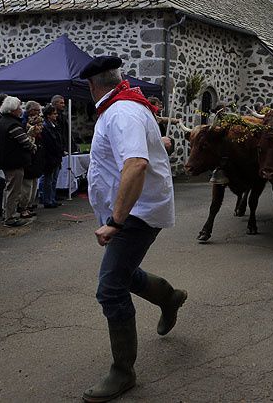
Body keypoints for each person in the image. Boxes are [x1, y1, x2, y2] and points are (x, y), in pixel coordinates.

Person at [79, 56, 186, 402]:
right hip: (132, 209)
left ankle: (123, 372)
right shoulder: (123, 107)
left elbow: (136, 164)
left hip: (135, 213)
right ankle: (169, 297)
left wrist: (115, 221)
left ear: (93, 85)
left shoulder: (121, 112)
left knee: (110, 289)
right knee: (122, 274)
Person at [0, 96, 35, 227]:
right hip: (14, 162)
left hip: (7, 161)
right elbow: (25, 142)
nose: (20, 110)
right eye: (18, 108)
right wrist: (32, 141)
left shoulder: (3, 121)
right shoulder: (12, 124)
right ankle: (9, 217)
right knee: (13, 191)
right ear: (12, 110)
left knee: (9, 189)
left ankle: (6, 214)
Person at [22, 101, 45, 215]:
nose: (38, 112)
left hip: (36, 155)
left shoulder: (39, 121)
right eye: (36, 110)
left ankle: (30, 203)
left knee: (34, 182)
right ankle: (24, 206)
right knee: (27, 184)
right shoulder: (24, 122)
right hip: (29, 155)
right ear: (30, 110)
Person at [39, 104, 64, 208]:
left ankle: (51, 199)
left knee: (53, 180)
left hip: (55, 157)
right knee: (48, 180)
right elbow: (48, 144)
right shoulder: (46, 127)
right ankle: (47, 200)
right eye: (54, 114)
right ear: (48, 115)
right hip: (50, 158)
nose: (56, 115)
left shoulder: (54, 126)